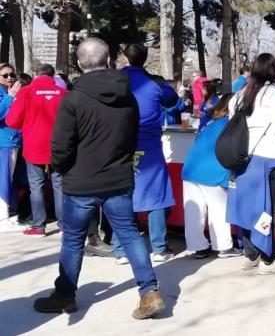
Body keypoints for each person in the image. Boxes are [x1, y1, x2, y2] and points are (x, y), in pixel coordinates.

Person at [33, 38, 165, 319]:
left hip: (81, 181)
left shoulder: (73, 99)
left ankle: (65, 295)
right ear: (108, 60)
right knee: (129, 234)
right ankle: (149, 291)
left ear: (79, 63)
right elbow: (132, 136)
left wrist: (62, 169)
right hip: (118, 177)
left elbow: (60, 146)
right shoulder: (127, 96)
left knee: (73, 240)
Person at [226, 53, 275, 274]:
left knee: (248, 208)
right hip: (272, 157)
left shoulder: (240, 94)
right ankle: (268, 259)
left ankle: (251, 254)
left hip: (244, 159)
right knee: (271, 211)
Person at [114, 44, 178, 264]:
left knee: (120, 193)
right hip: (149, 145)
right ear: (145, 58)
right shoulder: (156, 82)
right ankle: (159, 248)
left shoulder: (114, 79)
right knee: (156, 194)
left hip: (118, 143)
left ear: (125, 58)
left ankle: (121, 250)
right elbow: (173, 101)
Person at [6, 64, 66, 236]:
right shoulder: (62, 93)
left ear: (36, 75)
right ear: (52, 76)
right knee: (59, 185)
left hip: (34, 144)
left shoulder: (26, 92)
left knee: (36, 185)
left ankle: (39, 226)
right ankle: (63, 225)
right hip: (58, 144)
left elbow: (12, 121)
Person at [182, 93, 241, 259]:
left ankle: (198, 248)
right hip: (213, 171)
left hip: (191, 168)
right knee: (218, 209)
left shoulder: (210, 122)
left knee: (194, 211)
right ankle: (223, 247)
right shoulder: (232, 124)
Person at [0, 63, 23, 232]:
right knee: (4, 180)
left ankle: (8, 213)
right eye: (5, 75)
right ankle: (2, 218)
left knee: (10, 180)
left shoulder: (12, 91)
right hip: (4, 143)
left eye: (12, 75)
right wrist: (9, 98)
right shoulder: (6, 94)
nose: (9, 78)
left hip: (15, 140)